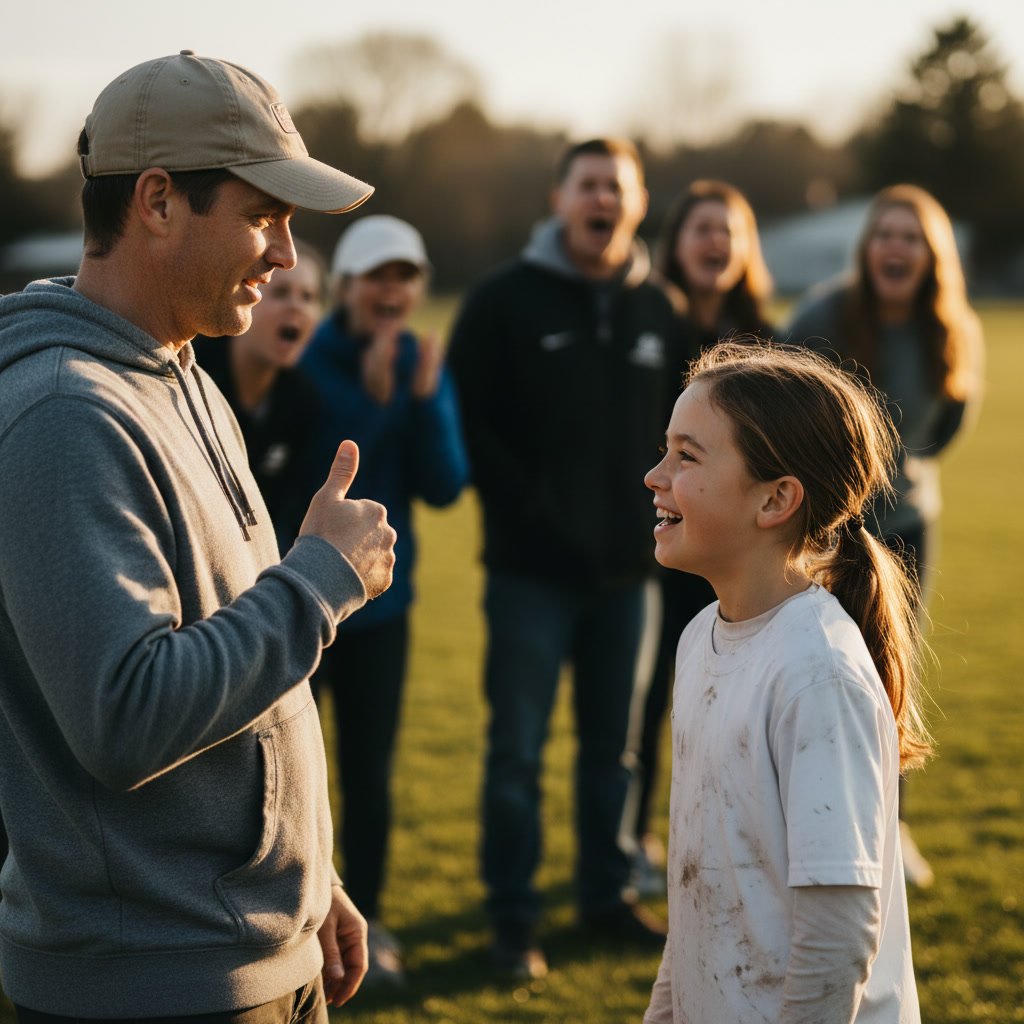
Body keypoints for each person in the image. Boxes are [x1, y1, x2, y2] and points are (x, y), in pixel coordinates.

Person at [0, 51, 398, 1021]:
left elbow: (241, 689)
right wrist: (317, 583)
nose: (288, 258)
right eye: (265, 217)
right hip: (156, 985)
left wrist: (312, 883)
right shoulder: (64, 414)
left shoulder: (180, 371)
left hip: (247, 950)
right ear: (157, 202)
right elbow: (124, 716)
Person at [448, 137, 683, 979]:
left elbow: (682, 437)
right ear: (560, 200)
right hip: (529, 577)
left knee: (613, 750)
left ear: (639, 203)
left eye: (616, 187)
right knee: (517, 750)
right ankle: (513, 920)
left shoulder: (659, 306)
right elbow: (473, 425)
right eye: (588, 184)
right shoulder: (502, 302)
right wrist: (538, 522)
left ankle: (603, 896)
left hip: (630, 579)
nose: (602, 199)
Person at [643, 341, 929, 1023]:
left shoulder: (816, 672)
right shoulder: (699, 638)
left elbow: (837, 935)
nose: (656, 476)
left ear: (776, 500)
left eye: (687, 456)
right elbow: (701, 887)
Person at [787, 183, 984, 888]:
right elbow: (780, 400)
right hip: (827, 530)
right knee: (818, 677)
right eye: (884, 235)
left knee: (889, 681)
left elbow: (949, 423)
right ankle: (808, 825)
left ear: (931, 255)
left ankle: (890, 825)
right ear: (867, 248)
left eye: (910, 237)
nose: (894, 247)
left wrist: (902, 473)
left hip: (906, 527)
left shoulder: (952, 327)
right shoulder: (825, 315)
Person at [301, 215, 468, 985]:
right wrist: (373, 401)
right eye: (378, 277)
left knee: (370, 774)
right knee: (294, 769)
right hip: (301, 604)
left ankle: (368, 919)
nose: (393, 290)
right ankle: (297, 923)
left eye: (405, 277)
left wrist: (425, 398)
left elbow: (443, 484)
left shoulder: (419, 362)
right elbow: (329, 471)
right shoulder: (309, 354)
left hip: (384, 612)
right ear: (348, 288)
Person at [629, 179, 776, 894]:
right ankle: (640, 838)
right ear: (677, 244)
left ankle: (736, 834)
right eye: (702, 229)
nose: (716, 241)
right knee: (656, 694)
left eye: (730, 229)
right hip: (663, 545)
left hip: (744, 550)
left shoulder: (769, 342)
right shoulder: (648, 325)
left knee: (743, 692)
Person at [196, 238, 327, 551]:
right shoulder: (193, 378)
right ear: (245, 294)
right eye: (281, 293)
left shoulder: (304, 402)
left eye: (308, 296)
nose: (296, 306)